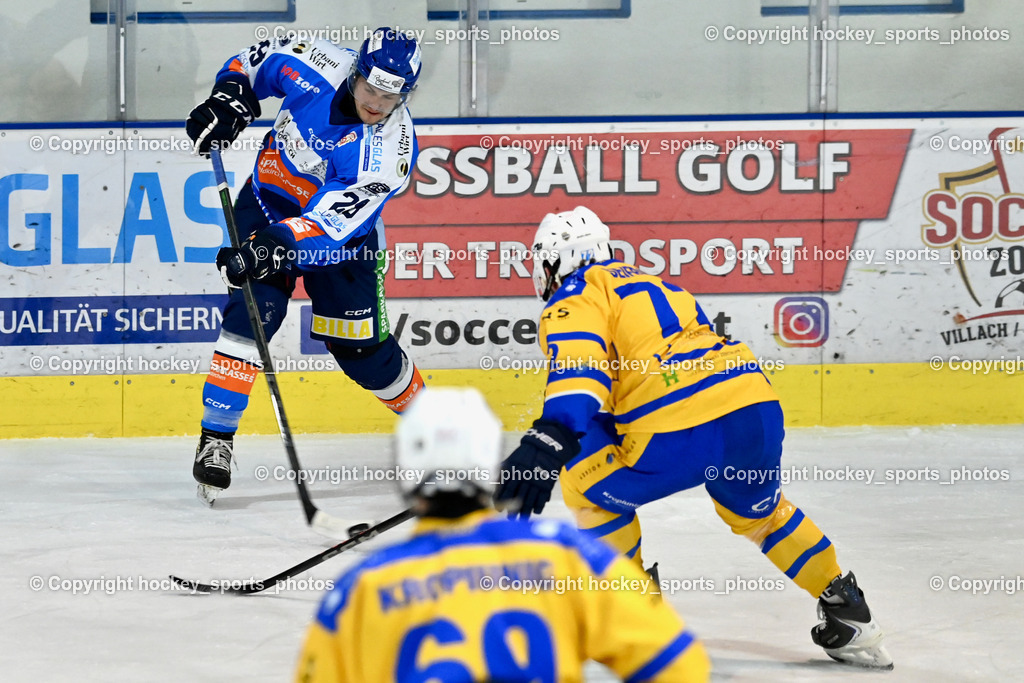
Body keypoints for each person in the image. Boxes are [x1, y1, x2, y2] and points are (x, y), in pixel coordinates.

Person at [492, 206, 893, 670]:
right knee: (760, 515)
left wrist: (551, 437)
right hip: (753, 411)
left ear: (551, 263)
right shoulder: (661, 284)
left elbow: (582, 372)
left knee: (582, 478)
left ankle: (633, 610)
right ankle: (848, 610)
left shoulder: (574, 295)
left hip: (681, 429)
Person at [294, 387, 712, 682]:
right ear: (491, 460)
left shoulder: (364, 586)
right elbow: (681, 667)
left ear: (404, 470)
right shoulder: (570, 556)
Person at [184, 28, 425, 502]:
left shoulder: (390, 152)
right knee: (255, 313)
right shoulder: (314, 61)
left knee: (364, 358)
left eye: (390, 96)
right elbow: (253, 63)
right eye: (371, 89)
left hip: (340, 246)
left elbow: (331, 224)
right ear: (355, 73)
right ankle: (216, 439)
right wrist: (230, 96)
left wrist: (271, 246)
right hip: (266, 204)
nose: (377, 103)